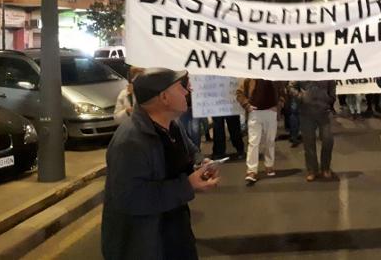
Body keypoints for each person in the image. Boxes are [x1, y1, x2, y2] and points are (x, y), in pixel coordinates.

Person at [102, 68, 220, 260]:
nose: (186, 91)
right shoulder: (130, 141)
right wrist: (188, 185)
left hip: (176, 234)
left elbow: (191, 152)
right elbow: (130, 199)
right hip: (146, 246)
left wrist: (202, 165)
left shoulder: (172, 125)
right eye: (180, 87)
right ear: (164, 97)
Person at [236, 78, 284, 185]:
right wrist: (246, 105)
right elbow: (239, 93)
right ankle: (251, 170)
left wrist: (279, 105)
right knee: (253, 142)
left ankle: (269, 166)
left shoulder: (275, 75)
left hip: (271, 111)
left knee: (270, 140)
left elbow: (282, 92)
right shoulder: (249, 76)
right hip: (255, 112)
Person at [289, 80, 337, 181]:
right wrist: (301, 97)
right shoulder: (302, 70)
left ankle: (326, 167)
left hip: (324, 112)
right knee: (309, 142)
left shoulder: (327, 71)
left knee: (328, 140)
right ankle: (312, 170)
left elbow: (332, 86)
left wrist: (329, 98)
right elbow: (291, 86)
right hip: (306, 112)